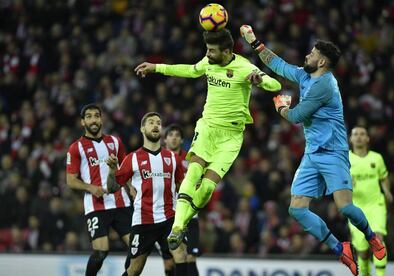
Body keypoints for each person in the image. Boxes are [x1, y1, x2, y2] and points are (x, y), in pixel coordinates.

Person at [240, 25, 386, 275]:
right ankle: (341, 250)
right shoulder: (307, 75)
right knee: (296, 208)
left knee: (345, 207)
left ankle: (372, 238)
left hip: (333, 152)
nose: (307, 55)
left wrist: (280, 107)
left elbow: (297, 115)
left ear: (321, 61)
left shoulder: (325, 86)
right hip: (312, 153)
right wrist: (255, 43)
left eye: (311, 53)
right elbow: (280, 66)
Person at [135, 28, 282, 250]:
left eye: (212, 51)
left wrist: (259, 80)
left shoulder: (244, 67)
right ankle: (176, 227)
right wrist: (157, 67)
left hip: (231, 137)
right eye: (207, 49)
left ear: (226, 51)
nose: (208, 54)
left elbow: (276, 85)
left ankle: (183, 220)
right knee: (193, 171)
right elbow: (189, 70)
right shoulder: (208, 62)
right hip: (207, 128)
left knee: (206, 189)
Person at [106, 112, 186, 276]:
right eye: (151, 122)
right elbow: (113, 187)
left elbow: (180, 187)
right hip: (144, 221)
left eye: (158, 122)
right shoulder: (132, 158)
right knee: (135, 269)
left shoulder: (172, 158)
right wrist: (112, 170)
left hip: (169, 218)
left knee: (181, 255)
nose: (156, 125)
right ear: (143, 129)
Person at [66, 103, 133, 276]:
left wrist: (131, 187)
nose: (93, 120)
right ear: (83, 122)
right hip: (96, 205)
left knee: (137, 249)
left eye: (96, 115)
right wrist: (91, 187)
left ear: (101, 119)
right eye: (89, 116)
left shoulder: (115, 142)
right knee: (101, 252)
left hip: (121, 202)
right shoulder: (76, 148)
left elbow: (124, 170)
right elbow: (70, 180)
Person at [349, 126, 393, 276]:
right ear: (351, 139)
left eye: (363, 134)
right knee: (363, 252)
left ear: (367, 138)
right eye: (356, 134)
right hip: (355, 208)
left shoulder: (377, 158)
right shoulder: (345, 159)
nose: (359, 137)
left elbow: (384, 177)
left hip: (376, 205)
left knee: (378, 240)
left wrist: (386, 191)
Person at [164, 124, 201, 276]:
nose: (174, 137)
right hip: (169, 216)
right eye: (171, 135)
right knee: (171, 262)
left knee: (191, 257)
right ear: (165, 140)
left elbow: (199, 182)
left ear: (181, 140)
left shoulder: (191, 159)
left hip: (191, 215)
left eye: (177, 135)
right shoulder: (159, 160)